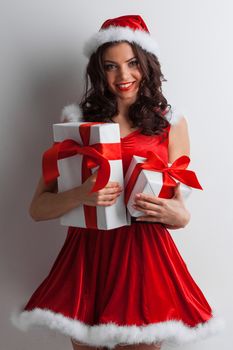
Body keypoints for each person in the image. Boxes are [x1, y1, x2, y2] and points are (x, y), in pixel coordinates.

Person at [11, 15, 224, 350]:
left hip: (146, 258)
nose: (123, 76)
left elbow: (180, 211)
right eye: (111, 66)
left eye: (132, 63)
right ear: (99, 71)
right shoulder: (76, 124)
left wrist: (178, 216)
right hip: (89, 258)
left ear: (147, 64)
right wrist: (83, 194)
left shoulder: (171, 123)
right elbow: (38, 208)